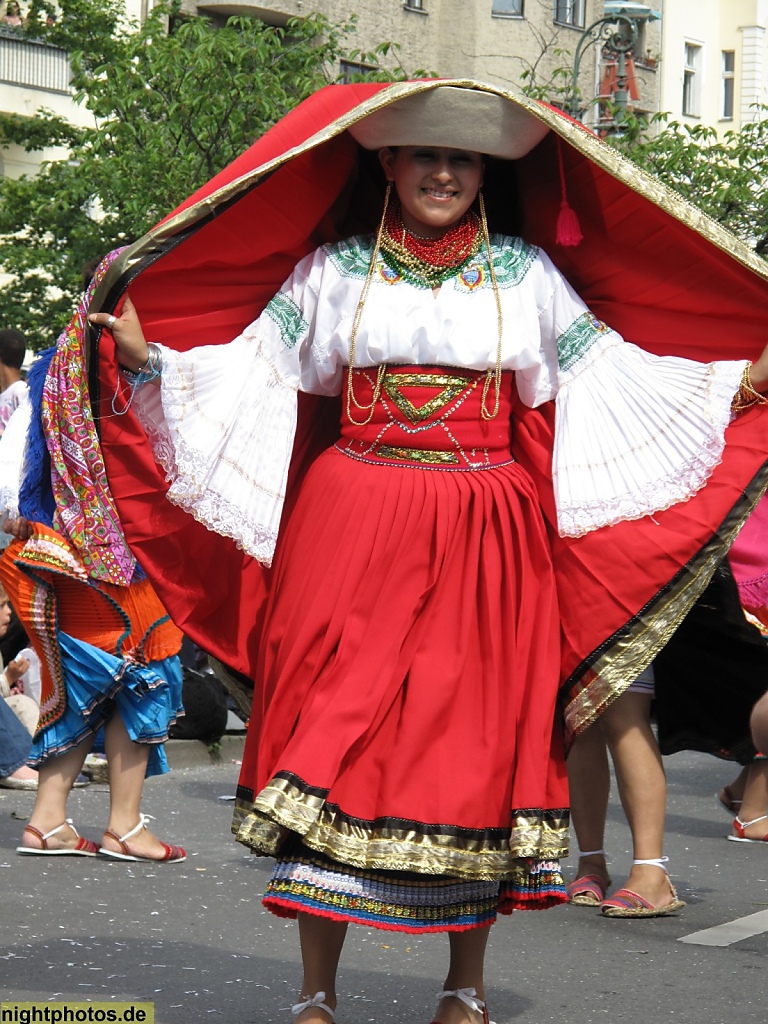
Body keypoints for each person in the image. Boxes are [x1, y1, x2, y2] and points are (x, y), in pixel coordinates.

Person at [84, 81, 768, 1024]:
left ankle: (465, 987)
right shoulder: (333, 270)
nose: (444, 173)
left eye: (464, 159)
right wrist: (148, 360)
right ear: (388, 163)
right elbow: (253, 368)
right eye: (427, 156)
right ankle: (315, 992)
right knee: (328, 725)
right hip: (350, 518)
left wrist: (740, 384)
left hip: (486, 529)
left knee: (473, 739)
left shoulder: (525, 273)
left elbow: (611, 374)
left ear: (485, 172)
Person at [0, 256, 187, 863]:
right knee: (144, 671)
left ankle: (48, 821)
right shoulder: (123, 368)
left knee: (83, 681)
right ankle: (124, 827)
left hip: (58, 552)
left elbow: (12, 476)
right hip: (120, 556)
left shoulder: (51, 369)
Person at [566, 559, 768, 916]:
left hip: (629, 570)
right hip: (566, 571)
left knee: (624, 716)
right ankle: (590, 861)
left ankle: (650, 871)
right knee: (577, 719)